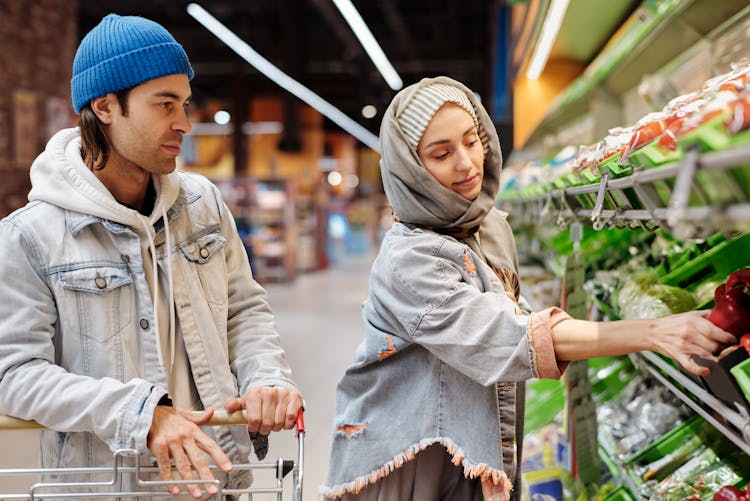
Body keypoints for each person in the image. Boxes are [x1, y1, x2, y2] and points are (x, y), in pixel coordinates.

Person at [320, 76, 734, 501]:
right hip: (405, 461)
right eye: (442, 154)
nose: (466, 163)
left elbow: (518, 317)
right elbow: (508, 337)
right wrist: (652, 332)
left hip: (468, 451)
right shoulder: (408, 260)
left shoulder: (488, 228)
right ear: (410, 169)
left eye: (471, 140)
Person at [0, 13, 303, 500]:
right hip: (105, 487)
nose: (183, 123)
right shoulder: (30, 237)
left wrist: (265, 375)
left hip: (215, 480)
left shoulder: (203, 206)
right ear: (105, 107)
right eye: (165, 104)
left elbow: (244, 310)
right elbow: (13, 376)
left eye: (183, 103)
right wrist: (143, 415)